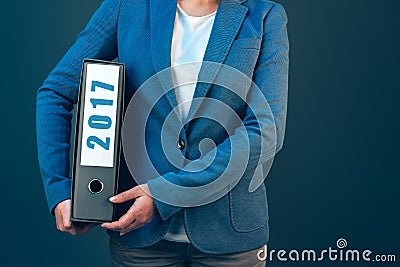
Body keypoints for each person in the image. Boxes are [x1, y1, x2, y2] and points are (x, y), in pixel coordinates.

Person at [36, 0, 289, 266]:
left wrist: (165, 194)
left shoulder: (265, 16)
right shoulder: (127, 6)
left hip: (229, 237)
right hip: (140, 238)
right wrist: (60, 188)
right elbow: (56, 92)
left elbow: (266, 129)